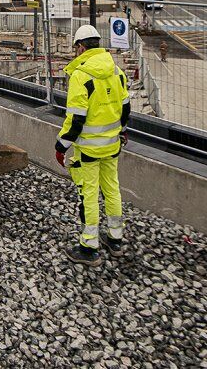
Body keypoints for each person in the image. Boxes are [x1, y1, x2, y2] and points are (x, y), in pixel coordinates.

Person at [55, 24, 131, 266]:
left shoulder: (81, 75)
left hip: (88, 150)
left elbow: (76, 119)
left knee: (88, 194)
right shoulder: (116, 71)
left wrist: (61, 145)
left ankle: (89, 247)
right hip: (112, 145)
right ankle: (115, 239)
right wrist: (122, 131)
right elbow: (125, 108)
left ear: (80, 47)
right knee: (112, 190)